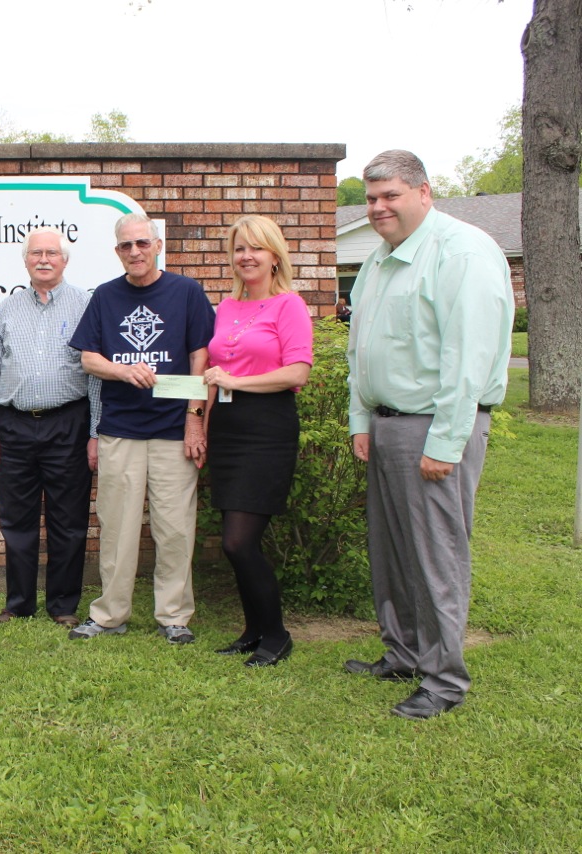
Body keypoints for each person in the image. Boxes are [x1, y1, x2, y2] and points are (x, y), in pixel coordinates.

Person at [345, 150, 513, 720]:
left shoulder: (461, 252)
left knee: (436, 556)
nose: (378, 207)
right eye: (370, 198)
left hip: (432, 429)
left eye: (390, 195)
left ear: (424, 192)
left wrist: (445, 443)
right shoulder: (379, 259)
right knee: (392, 553)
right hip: (387, 425)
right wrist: (361, 420)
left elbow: (468, 357)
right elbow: (358, 350)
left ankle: (443, 681)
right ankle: (404, 652)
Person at [68, 213, 215, 643]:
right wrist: (121, 370)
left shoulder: (186, 292)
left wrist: (194, 420)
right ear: (117, 252)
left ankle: (174, 617)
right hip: (121, 430)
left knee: (174, 527)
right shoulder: (105, 298)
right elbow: (88, 359)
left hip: (173, 430)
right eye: (125, 246)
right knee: (117, 528)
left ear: (157, 245)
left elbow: (199, 358)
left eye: (142, 244)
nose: (134, 252)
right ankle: (110, 615)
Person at [0, 226, 100, 629]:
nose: (43, 259)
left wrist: (96, 432)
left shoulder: (84, 305)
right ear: (25, 260)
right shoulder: (8, 309)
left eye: (52, 252)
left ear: (65, 260)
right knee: (17, 520)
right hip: (16, 427)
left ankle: (63, 605)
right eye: (35, 253)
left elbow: (95, 377)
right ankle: (19, 603)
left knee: (69, 520)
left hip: (69, 425)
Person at [201, 215, 312, 667]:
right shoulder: (225, 309)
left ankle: (278, 635)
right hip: (226, 427)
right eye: (240, 248)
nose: (247, 256)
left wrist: (236, 381)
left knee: (239, 542)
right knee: (235, 540)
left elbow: (296, 372)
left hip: (267, 427)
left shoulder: (290, 306)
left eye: (256, 248)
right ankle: (253, 630)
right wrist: (202, 427)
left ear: (274, 256)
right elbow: (212, 375)